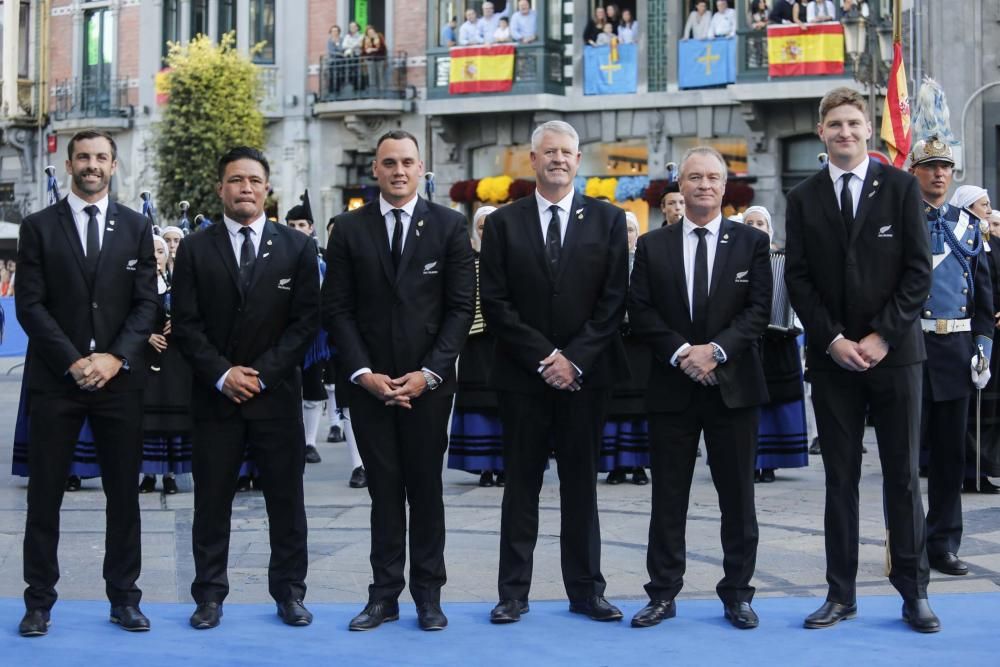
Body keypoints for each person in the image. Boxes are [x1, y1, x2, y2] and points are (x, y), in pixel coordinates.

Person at [784, 87, 938, 633]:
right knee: (840, 480)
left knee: (902, 477)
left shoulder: (900, 187)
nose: (845, 133)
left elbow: (919, 272)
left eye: (853, 123)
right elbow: (798, 277)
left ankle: (914, 592)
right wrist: (832, 340)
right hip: (832, 362)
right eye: (835, 125)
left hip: (895, 358)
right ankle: (840, 593)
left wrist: (881, 337)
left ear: (868, 130)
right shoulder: (802, 197)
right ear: (821, 133)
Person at [323, 130, 475, 632]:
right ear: (375, 170)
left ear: (420, 166)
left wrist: (430, 373)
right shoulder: (347, 229)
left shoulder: (450, 227)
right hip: (370, 387)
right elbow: (338, 310)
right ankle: (383, 596)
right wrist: (364, 373)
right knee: (383, 493)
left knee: (426, 491)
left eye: (407, 162)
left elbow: (460, 310)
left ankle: (428, 597)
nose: (399, 171)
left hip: (427, 386)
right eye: (389, 162)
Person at [480, 120, 629, 625]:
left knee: (581, 486)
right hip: (523, 379)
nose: (558, 159)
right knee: (520, 486)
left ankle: (587, 590)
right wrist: (546, 358)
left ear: (579, 160)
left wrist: (575, 359)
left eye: (567, 152)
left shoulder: (608, 221)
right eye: (549, 152)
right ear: (533, 160)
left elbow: (613, 302)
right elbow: (496, 303)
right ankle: (513, 594)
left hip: (587, 379)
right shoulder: (503, 224)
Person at [15, 129, 158, 636]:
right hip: (57, 382)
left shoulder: (138, 227)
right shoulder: (37, 227)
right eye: (83, 157)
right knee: (44, 495)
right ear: (70, 163)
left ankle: (124, 598)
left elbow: (148, 303)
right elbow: (29, 304)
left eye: (101, 157)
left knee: (124, 496)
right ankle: (38, 602)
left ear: (114, 165)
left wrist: (115, 358)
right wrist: (75, 361)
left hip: (120, 384)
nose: (92, 165)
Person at [171, 146, 319, 631]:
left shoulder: (296, 248)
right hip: (215, 398)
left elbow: (305, 323)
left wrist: (263, 373)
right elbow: (187, 324)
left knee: (286, 500)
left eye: (254, 180)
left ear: (267, 188)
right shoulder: (195, 248)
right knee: (211, 501)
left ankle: (290, 593)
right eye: (236, 180)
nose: (246, 188)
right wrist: (222, 374)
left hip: (275, 397)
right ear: (220, 188)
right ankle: (209, 595)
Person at [627, 147, 771, 631]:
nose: (704, 185)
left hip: (734, 387)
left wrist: (717, 352)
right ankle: (663, 593)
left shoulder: (751, 242)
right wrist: (683, 353)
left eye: (713, 177)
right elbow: (641, 312)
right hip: (673, 387)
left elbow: (758, 311)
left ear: (725, 186)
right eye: (694, 177)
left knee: (738, 498)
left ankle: (738, 594)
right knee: (668, 497)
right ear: (680, 186)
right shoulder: (653, 245)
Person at [909, 139, 993, 579]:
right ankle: (907, 544)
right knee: (905, 458)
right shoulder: (901, 220)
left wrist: (983, 349)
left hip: (956, 349)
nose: (939, 174)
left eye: (945, 167)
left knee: (949, 457)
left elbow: (982, 296)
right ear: (915, 172)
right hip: (912, 350)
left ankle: (944, 544)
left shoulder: (966, 225)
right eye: (930, 167)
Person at [743, 206, 809, 483]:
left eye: (761, 223)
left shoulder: (785, 259)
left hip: (779, 341)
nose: (756, 227)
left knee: (775, 401)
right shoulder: (732, 258)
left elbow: (800, 294)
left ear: (769, 229)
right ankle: (747, 459)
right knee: (746, 401)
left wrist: (794, 320)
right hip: (745, 342)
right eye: (750, 223)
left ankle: (770, 462)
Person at [448, 206, 506, 487]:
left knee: (506, 405)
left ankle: (506, 464)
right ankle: (483, 465)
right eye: (481, 226)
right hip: (474, 343)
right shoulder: (466, 262)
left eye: (491, 225)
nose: (486, 231)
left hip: (506, 344)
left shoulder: (514, 260)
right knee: (478, 405)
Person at [139, 234, 193, 495]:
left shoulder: (178, 284)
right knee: (147, 420)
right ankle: (148, 474)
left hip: (174, 360)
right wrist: (145, 335)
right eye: (152, 252)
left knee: (172, 420)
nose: (156, 257)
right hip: (146, 357)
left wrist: (180, 324)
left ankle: (170, 474)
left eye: (160, 252)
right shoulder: (136, 285)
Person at [602, 212, 650, 485]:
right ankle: (615, 465)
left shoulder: (645, 261)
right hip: (614, 341)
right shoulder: (606, 262)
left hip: (640, 344)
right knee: (613, 409)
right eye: (623, 230)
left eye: (631, 230)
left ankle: (640, 465)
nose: (627, 235)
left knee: (639, 409)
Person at [285, 193, 328, 465]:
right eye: (292, 225)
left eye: (302, 225)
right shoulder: (277, 254)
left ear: (311, 227)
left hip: (315, 335)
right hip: (285, 333)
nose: (297, 230)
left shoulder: (322, 259)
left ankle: (310, 442)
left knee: (313, 389)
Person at [965, 208, 1000, 493]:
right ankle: (970, 470)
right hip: (971, 332)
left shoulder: (992, 246)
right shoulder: (968, 242)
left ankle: (986, 467)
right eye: (983, 205)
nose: (987, 211)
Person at [361, 25, 387, 92]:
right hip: (370, 60)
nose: (371, 33)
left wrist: (373, 49)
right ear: (367, 33)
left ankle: (382, 91)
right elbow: (363, 50)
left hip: (380, 59)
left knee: (380, 75)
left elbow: (383, 48)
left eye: (372, 31)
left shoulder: (379, 36)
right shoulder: (365, 39)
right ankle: (373, 91)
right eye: (369, 32)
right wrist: (366, 51)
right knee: (371, 76)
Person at [325, 25, 344, 93]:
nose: (334, 32)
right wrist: (339, 53)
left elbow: (342, 49)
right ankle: (331, 90)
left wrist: (336, 46)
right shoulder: (329, 41)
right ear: (331, 32)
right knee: (332, 76)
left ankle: (339, 89)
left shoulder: (342, 40)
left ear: (338, 32)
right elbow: (331, 51)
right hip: (332, 61)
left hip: (341, 61)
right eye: (333, 31)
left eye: (336, 31)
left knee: (340, 75)